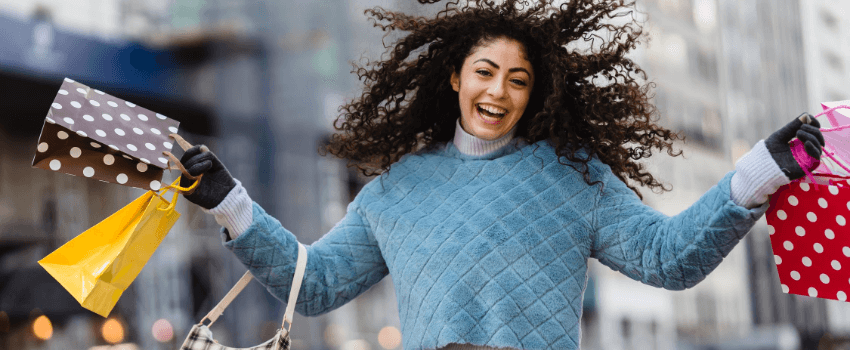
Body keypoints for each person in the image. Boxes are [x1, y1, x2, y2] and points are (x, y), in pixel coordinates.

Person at [177, 0, 824, 349]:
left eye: (518, 80)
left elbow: (670, 258)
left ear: (533, 95)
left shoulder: (575, 180)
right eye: (485, 72)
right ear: (456, 77)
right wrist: (230, 205)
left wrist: (760, 170)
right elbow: (312, 287)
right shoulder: (398, 189)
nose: (498, 92)